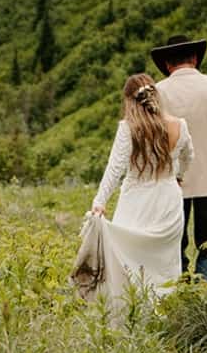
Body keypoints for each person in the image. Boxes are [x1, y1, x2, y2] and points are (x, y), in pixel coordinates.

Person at [74, 73, 194, 313]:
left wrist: (100, 201)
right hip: (168, 200)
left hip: (136, 201)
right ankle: (164, 313)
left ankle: (130, 311)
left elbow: (115, 168)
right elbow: (189, 156)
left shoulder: (129, 129)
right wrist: (177, 176)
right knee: (165, 264)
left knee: (125, 258)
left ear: (129, 100)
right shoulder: (179, 125)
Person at [152, 34, 207, 280]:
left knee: (174, 243)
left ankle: (178, 287)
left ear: (168, 64)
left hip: (171, 180)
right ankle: (206, 292)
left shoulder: (158, 91)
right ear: (195, 58)